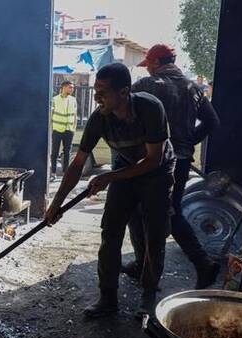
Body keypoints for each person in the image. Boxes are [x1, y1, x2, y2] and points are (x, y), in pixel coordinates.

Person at [45, 63, 175, 318]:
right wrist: (56, 204)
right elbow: (77, 163)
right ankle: (107, 299)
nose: (96, 97)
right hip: (125, 169)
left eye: (103, 91)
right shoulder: (99, 119)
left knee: (154, 235)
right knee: (110, 231)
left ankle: (148, 296)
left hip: (157, 173)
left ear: (124, 91)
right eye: (95, 90)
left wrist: (108, 177)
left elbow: (153, 160)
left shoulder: (150, 108)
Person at [124, 44, 221, 289]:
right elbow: (212, 121)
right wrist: (188, 143)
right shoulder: (193, 87)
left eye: (149, 66)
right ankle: (152, 265)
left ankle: (155, 266)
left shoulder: (147, 86)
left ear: (156, 63)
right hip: (182, 160)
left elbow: (124, 114)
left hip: (152, 160)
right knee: (171, 211)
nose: (148, 71)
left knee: (139, 211)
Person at [51, 81, 78, 181]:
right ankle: (53, 173)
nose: (72, 89)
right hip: (57, 129)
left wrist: (74, 128)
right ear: (64, 87)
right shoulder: (55, 99)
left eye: (72, 87)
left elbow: (75, 115)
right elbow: (51, 115)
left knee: (67, 152)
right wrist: (51, 129)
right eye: (70, 87)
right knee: (54, 152)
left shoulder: (73, 100)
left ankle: (65, 173)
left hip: (69, 130)